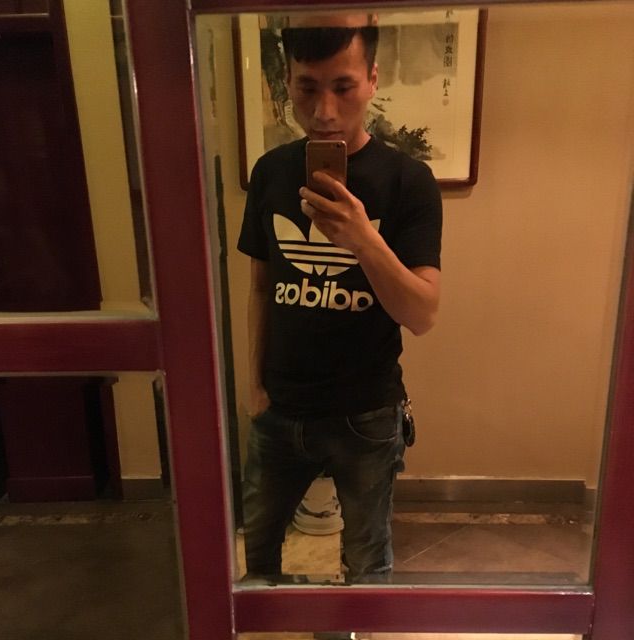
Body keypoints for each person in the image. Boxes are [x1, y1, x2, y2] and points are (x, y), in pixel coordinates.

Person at [237, 10, 442, 610]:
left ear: (373, 79)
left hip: (366, 413)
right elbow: (260, 289)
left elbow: (423, 314)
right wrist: (255, 387)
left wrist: (363, 238)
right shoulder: (271, 172)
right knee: (257, 559)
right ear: (287, 83)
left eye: (343, 86)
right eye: (307, 87)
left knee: (367, 564)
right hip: (279, 409)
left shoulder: (409, 181)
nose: (324, 110)